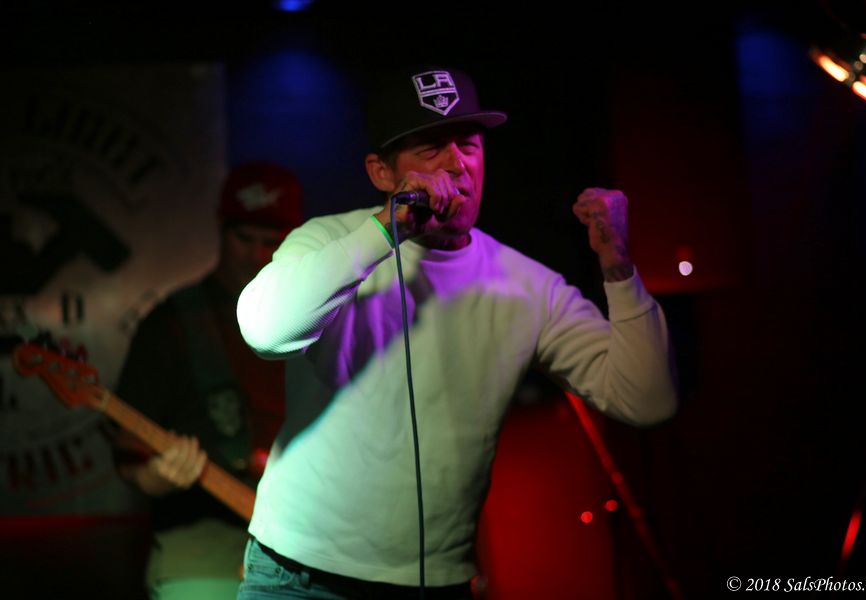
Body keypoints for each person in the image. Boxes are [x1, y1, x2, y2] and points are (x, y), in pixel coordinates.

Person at [235, 67, 678, 600]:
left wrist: (619, 265)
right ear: (381, 172)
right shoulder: (330, 240)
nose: (456, 164)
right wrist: (388, 228)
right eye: (430, 149)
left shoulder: (527, 286)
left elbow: (647, 400)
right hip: (298, 574)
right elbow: (265, 332)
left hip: (435, 584)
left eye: (468, 145)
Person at [114, 162, 303, 600]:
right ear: (220, 227)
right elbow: (126, 451)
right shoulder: (171, 323)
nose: (256, 256)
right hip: (203, 539)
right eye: (244, 239)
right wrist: (158, 477)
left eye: (271, 242)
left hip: (304, 538)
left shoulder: (317, 319)